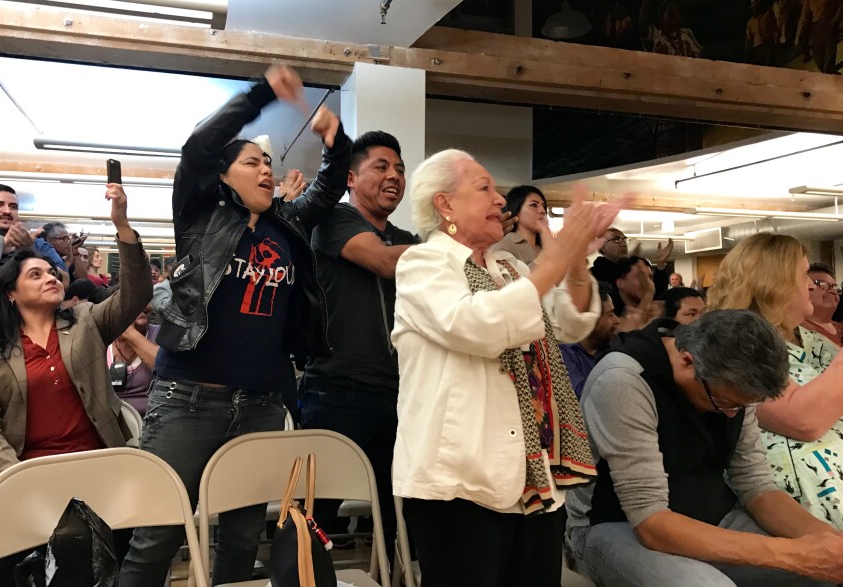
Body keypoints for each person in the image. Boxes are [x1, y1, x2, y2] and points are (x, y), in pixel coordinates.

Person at [118, 65, 352, 586]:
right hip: (188, 402)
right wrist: (262, 94)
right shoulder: (199, 215)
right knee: (157, 535)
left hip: (262, 405)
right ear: (223, 176)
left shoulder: (286, 226)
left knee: (243, 539)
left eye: (269, 162)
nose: (267, 169)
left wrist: (337, 144)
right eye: (252, 162)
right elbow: (199, 146)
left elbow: (332, 183)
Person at [393, 148, 625, 587]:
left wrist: (573, 260)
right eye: (484, 189)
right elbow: (480, 325)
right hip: (458, 482)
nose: (500, 200)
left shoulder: (509, 268)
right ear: (445, 205)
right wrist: (555, 260)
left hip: (533, 475)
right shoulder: (422, 264)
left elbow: (571, 323)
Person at [566, 309, 843, 586]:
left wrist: (827, 542)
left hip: (708, 513)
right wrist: (794, 555)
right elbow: (650, 520)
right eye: (725, 402)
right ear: (688, 361)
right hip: (614, 523)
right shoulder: (623, 379)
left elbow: (758, 487)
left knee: (825, 572)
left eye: (743, 406)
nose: (734, 415)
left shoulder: (732, 388)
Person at [0, 184, 151, 584]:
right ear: (11, 293)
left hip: (95, 469)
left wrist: (123, 225)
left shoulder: (86, 322)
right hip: (20, 474)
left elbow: (135, 294)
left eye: (51, 271)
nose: (50, 276)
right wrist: (19, 480)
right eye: (36, 274)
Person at [301, 130, 417, 554]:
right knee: (316, 525)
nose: (394, 177)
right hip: (336, 393)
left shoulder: (409, 238)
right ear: (351, 178)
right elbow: (384, 262)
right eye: (381, 167)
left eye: (400, 170)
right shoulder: (334, 220)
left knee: (400, 518)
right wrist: (447, 246)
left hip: (399, 394)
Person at [709, 234, 843, 530]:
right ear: (772, 283)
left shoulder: (810, 340)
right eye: (803, 274)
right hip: (805, 505)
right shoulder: (733, 343)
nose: (811, 284)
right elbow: (802, 418)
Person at [0, 184, 68, 319]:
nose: (7, 211)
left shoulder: (35, 244)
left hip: (21, 328)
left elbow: (64, 281)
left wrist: (29, 252)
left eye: (13, 207)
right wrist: (1, 246)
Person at [560, 284, 619, 398]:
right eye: (610, 314)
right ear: (591, 320)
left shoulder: (615, 347)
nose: (617, 320)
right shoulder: (564, 355)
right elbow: (584, 396)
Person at [108, 304, 159, 416]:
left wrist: (129, 332)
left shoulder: (159, 335)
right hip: (110, 421)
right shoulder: (103, 340)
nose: (146, 306)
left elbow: (161, 368)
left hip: (150, 421)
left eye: (146, 300)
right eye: (137, 301)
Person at [591, 227, 673, 294]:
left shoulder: (633, 268)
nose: (623, 244)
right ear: (602, 247)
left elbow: (655, 294)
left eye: (624, 240)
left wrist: (661, 264)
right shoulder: (595, 274)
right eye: (617, 239)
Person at [492, 185, 548, 266]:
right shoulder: (504, 245)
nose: (542, 211)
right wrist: (546, 255)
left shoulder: (543, 245)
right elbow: (512, 278)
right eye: (533, 205)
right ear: (516, 210)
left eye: (543, 206)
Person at [613, 256, 661, 332]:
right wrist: (648, 294)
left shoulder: (660, 312)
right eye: (640, 277)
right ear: (620, 283)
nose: (647, 283)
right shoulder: (612, 318)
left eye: (650, 277)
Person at [802, 262, 843, 346]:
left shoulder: (840, 328)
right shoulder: (797, 330)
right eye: (822, 284)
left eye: (835, 287)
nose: (833, 291)